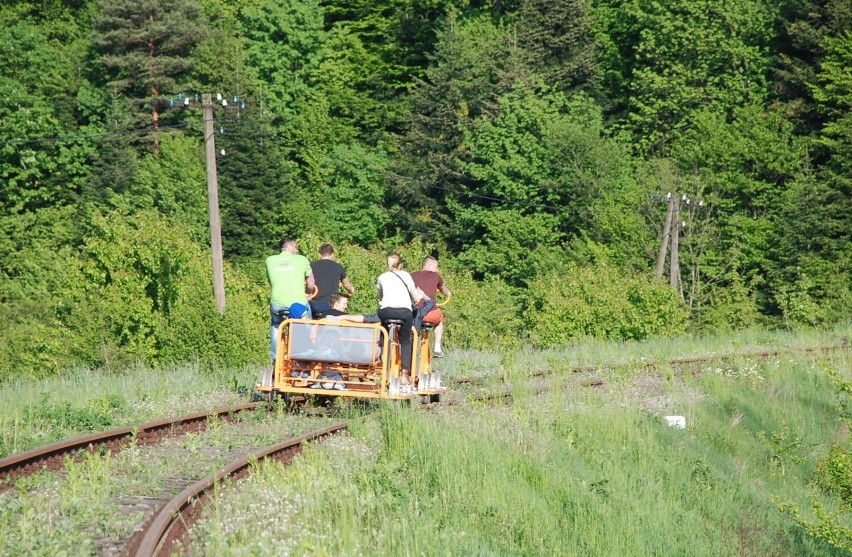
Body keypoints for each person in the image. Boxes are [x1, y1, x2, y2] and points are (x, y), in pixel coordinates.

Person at [266, 236, 315, 363]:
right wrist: (308, 293)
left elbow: (272, 282)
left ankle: (276, 357)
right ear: (291, 246)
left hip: (277, 303)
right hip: (298, 301)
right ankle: (306, 354)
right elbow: (311, 283)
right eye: (296, 247)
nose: (297, 251)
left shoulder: (269, 260)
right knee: (306, 322)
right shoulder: (301, 259)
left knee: (276, 325)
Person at [377, 253, 423, 385]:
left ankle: (382, 366)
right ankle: (404, 374)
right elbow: (415, 296)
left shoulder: (382, 277)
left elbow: (380, 296)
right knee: (405, 340)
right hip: (404, 312)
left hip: (386, 311)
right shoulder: (406, 275)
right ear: (400, 264)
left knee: (384, 336)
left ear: (387, 264)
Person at [411, 256, 452, 358]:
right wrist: (448, 294)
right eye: (436, 267)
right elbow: (443, 289)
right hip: (429, 313)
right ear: (429, 266)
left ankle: (412, 349)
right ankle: (437, 348)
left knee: (414, 325)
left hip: (414, 313)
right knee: (439, 319)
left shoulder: (411, 275)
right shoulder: (435, 276)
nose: (437, 270)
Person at [309, 243, 355, 316]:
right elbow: (346, 284)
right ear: (332, 254)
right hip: (331, 304)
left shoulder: (312, 265)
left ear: (319, 254)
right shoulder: (338, 267)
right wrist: (351, 290)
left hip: (314, 304)